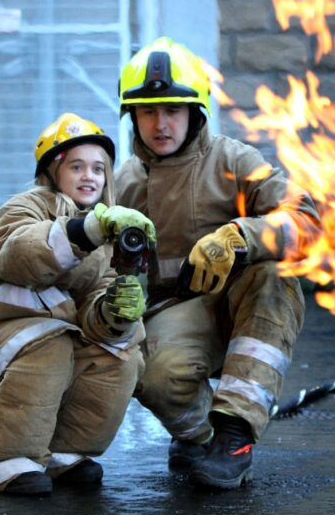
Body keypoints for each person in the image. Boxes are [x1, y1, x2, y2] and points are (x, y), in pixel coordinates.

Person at [115, 36, 322, 489]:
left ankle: (234, 436)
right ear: (132, 116)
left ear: (196, 111)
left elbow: (307, 220)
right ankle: (199, 436)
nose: (160, 123)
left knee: (272, 274)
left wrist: (242, 236)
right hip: (178, 311)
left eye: (172, 109)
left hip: (244, 305)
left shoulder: (233, 160)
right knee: (153, 376)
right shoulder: (125, 184)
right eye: (147, 111)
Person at [0, 113, 157, 496]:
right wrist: (83, 232)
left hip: (44, 343)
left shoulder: (103, 231)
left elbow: (93, 313)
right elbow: (19, 254)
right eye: (76, 167)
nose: (89, 176)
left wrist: (112, 313)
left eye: (98, 168)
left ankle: (64, 450)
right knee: (50, 344)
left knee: (120, 353)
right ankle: (10, 459)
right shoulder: (25, 208)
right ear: (52, 172)